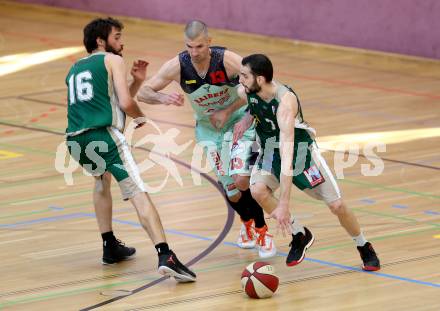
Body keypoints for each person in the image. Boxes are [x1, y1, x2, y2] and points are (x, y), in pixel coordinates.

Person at [64, 17, 196, 282]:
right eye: (117, 37)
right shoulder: (112, 60)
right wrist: (141, 118)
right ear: (101, 41)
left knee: (102, 182)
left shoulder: (74, 68)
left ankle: (109, 245)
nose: (121, 42)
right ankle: (165, 254)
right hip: (105, 136)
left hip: (76, 140)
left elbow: (110, 98)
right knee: (139, 192)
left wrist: (136, 81)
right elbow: (125, 103)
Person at [136, 20, 276, 258]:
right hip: (209, 131)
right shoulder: (178, 66)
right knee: (231, 190)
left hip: (237, 123)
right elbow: (143, 92)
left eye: (199, 46)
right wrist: (163, 99)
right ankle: (247, 223)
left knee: (242, 179)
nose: (194, 52)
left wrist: (228, 110)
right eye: (189, 46)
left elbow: (257, 86)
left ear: (209, 42)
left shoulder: (227, 60)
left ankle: (263, 231)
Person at [233, 54, 380, 271]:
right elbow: (253, 107)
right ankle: (299, 234)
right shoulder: (247, 90)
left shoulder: (284, 103)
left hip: (300, 155)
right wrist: (245, 120)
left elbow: (288, 158)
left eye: (245, 76)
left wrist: (283, 204)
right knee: (258, 191)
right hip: (269, 152)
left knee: (337, 205)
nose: (240, 80)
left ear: (261, 79)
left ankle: (363, 245)